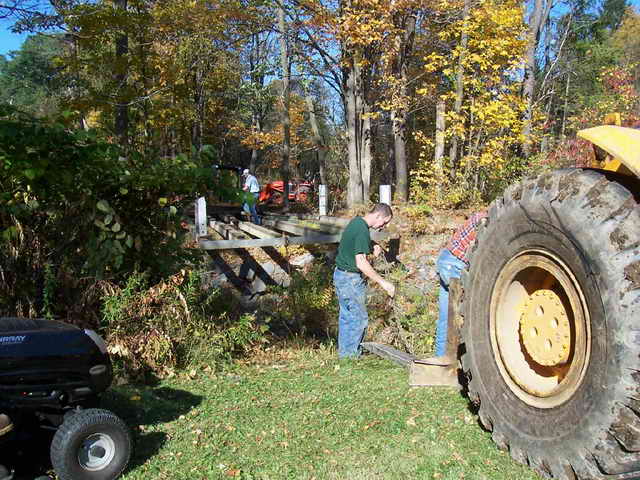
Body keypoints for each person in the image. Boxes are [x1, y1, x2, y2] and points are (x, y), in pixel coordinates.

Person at [333, 203, 396, 358]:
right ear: (378, 216)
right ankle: (352, 356)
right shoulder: (362, 231)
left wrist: (372, 244)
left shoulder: (356, 222)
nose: (384, 226)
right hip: (350, 280)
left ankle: (345, 355)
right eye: (385, 222)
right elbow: (361, 262)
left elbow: (354, 243)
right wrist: (384, 283)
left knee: (347, 316)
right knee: (359, 319)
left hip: (340, 275)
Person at [430, 210, 487, 364]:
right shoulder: (485, 219)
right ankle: (460, 359)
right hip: (454, 265)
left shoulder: (481, 216)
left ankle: (442, 360)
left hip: (446, 261)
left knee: (445, 316)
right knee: (464, 314)